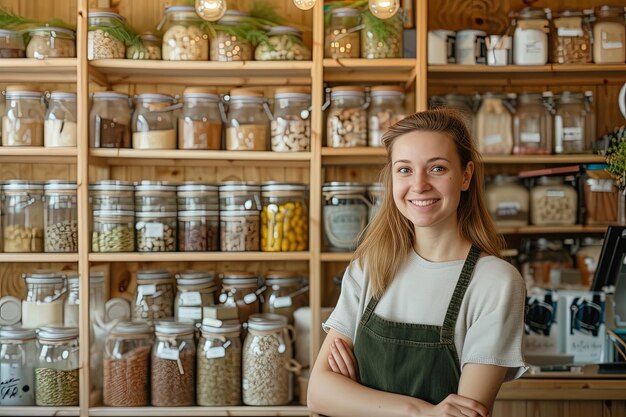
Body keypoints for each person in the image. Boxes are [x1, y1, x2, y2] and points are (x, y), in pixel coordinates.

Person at [308, 109, 527, 417]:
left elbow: (464, 414)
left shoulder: (495, 282)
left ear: (465, 176)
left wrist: (354, 398)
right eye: (405, 170)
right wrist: (421, 412)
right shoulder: (370, 268)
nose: (419, 185)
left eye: (437, 168)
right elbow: (318, 394)